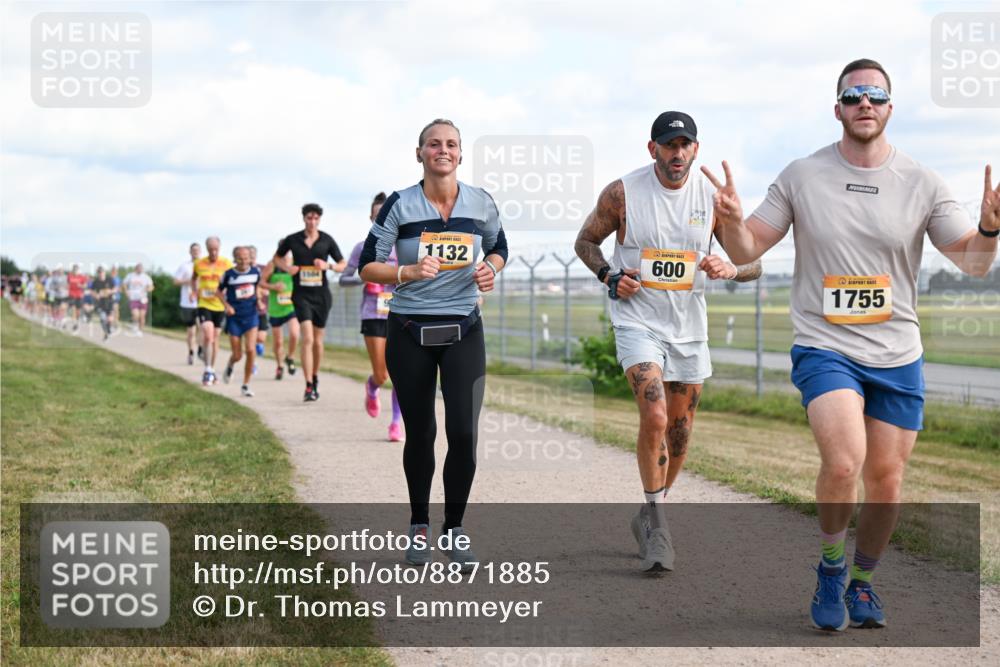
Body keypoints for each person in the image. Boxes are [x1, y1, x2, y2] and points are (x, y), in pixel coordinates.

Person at [706, 58, 999, 631]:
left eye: (876, 96)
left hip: (897, 352)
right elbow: (745, 252)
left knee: (887, 480)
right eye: (853, 95)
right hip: (825, 344)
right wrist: (732, 222)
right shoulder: (801, 175)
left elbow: (971, 263)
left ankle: (864, 583)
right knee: (844, 463)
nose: (865, 103)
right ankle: (832, 568)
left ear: (890, 108)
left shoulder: (923, 182)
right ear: (837, 107)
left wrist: (989, 228)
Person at [574, 111, 763, 573]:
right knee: (655, 413)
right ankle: (660, 526)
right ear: (652, 148)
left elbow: (754, 261)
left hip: (689, 330)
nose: (676, 154)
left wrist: (732, 268)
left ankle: (648, 512)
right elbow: (585, 242)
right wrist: (609, 275)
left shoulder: (713, 199)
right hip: (638, 322)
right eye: (668, 145)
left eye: (684, 145)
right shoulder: (623, 193)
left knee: (679, 438)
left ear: (695, 149)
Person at [359, 118, 508, 570]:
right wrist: (406, 272)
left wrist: (492, 269)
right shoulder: (400, 205)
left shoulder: (481, 202)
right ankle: (419, 525)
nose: (442, 150)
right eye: (433, 144)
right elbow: (368, 266)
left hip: (464, 326)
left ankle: (456, 530)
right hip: (409, 331)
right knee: (421, 433)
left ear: (461, 154)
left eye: (451, 144)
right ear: (419, 152)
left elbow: (499, 245)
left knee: (463, 433)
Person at [340, 192, 403, 442]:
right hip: (373, 315)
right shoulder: (362, 247)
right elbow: (344, 279)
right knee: (382, 374)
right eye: (378, 216)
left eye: (386, 215)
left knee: (400, 374)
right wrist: (364, 278)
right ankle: (372, 386)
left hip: (400, 313)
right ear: (371, 218)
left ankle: (396, 424)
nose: (383, 219)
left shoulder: (405, 246)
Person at [273, 203, 347, 401]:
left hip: (322, 295)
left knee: (317, 341)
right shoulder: (293, 239)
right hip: (301, 295)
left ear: (319, 219)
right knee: (307, 339)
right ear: (304, 218)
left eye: (315, 218)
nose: (312, 221)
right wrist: (288, 269)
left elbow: (343, 265)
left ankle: (315, 378)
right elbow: (277, 258)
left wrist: (328, 265)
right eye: (309, 218)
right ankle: (307, 385)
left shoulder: (326, 240)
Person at [219, 246, 261, 397]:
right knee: (238, 355)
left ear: (250, 258)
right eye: (240, 258)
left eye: (246, 258)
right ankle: (230, 365)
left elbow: (258, 288)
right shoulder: (229, 275)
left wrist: (260, 301)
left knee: (251, 350)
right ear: (234, 259)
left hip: (251, 316)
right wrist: (227, 306)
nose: (243, 261)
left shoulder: (256, 272)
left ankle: (246, 384)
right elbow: (218, 291)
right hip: (234, 317)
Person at [192, 236, 233, 386]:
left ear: (219, 248)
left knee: (214, 338)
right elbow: (193, 278)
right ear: (207, 249)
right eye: (211, 249)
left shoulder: (226, 264)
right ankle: (208, 369)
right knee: (208, 334)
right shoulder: (199, 263)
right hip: (204, 304)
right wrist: (194, 291)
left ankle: (212, 369)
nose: (214, 252)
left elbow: (231, 281)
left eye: (216, 249)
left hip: (220, 306)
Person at [260, 253, 299, 380]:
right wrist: (273, 286)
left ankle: (290, 357)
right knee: (278, 342)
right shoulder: (272, 265)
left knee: (294, 334)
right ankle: (280, 366)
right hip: (276, 309)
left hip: (291, 306)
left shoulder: (294, 264)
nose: (285, 256)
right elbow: (261, 282)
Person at [174, 242, 203, 365]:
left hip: (202, 301)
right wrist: (189, 281)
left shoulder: (205, 265)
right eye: (193, 250)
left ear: (200, 251)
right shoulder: (184, 266)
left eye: (197, 250)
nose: (195, 252)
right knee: (191, 331)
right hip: (187, 302)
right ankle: (191, 352)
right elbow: (175, 281)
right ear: (190, 252)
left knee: (203, 327)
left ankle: (201, 349)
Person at [248, 245, 269, 375]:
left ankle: (259, 346)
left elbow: (268, 283)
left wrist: (267, 289)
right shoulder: (244, 271)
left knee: (261, 338)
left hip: (262, 310)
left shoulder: (263, 269)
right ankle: (253, 364)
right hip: (249, 309)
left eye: (252, 254)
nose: (251, 257)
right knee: (252, 339)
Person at [122, 263, 154, 336]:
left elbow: (151, 286)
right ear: (136, 268)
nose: (140, 270)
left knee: (142, 316)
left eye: (141, 268)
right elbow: (124, 284)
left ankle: (140, 331)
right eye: (138, 268)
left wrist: (148, 289)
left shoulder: (146, 277)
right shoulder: (130, 276)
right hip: (133, 298)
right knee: (136, 314)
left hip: (143, 299)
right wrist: (126, 291)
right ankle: (135, 325)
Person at [90, 266, 115, 340]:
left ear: (104, 272)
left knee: (110, 318)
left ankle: (109, 329)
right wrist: (95, 295)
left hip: (109, 301)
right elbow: (91, 291)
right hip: (100, 303)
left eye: (102, 272)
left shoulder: (109, 279)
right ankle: (106, 332)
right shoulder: (96, 282)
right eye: (99, 272)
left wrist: (110, 291)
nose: (101, 274)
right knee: (102, 318)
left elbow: (115, 289)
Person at [67, 264, 88, 329]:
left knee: (78, 310)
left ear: (78, 270)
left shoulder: (82, 277)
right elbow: (67, 284)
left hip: (79, 294)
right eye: (74, 269)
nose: (75, 271)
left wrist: (81, 286)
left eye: (76, 269)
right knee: (73, 308)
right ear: (72, 270)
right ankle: (74, 322)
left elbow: (85, 286)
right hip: (71, 294)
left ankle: (77, 321)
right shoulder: (69, 276)